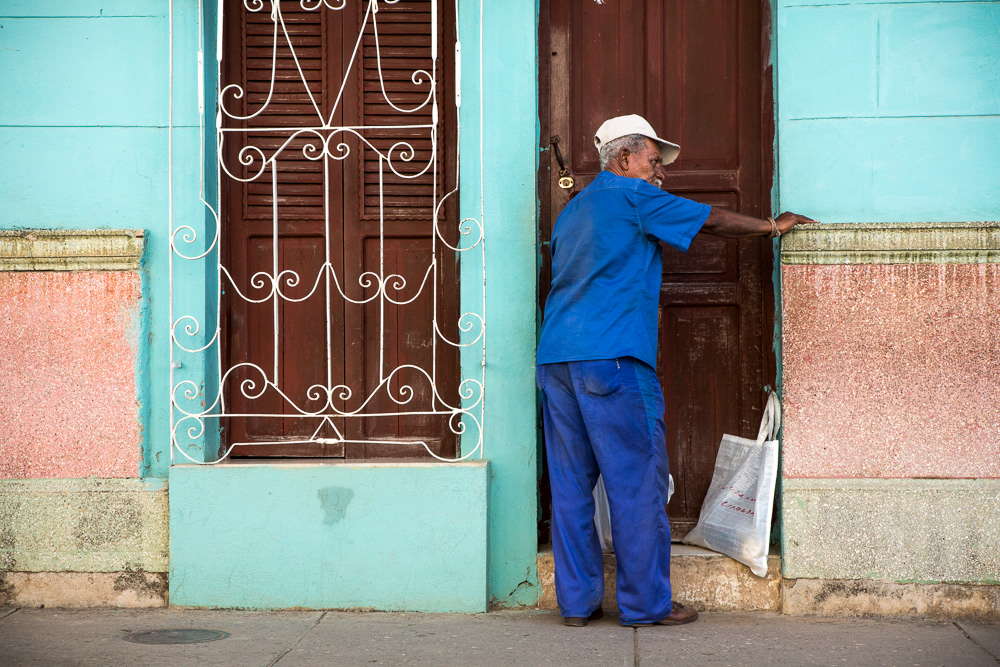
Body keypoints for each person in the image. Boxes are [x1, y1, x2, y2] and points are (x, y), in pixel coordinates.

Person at [536, 114, 816, 628]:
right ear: (624, 159)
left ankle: (576, 606)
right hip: (614, 359)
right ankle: (645, 605)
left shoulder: (573, 210)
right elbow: (711, 220)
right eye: (652, 160)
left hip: (556, 360)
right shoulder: (632, 196)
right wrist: (771, 226)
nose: (659, 171)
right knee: (637, 483)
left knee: (571, 488)